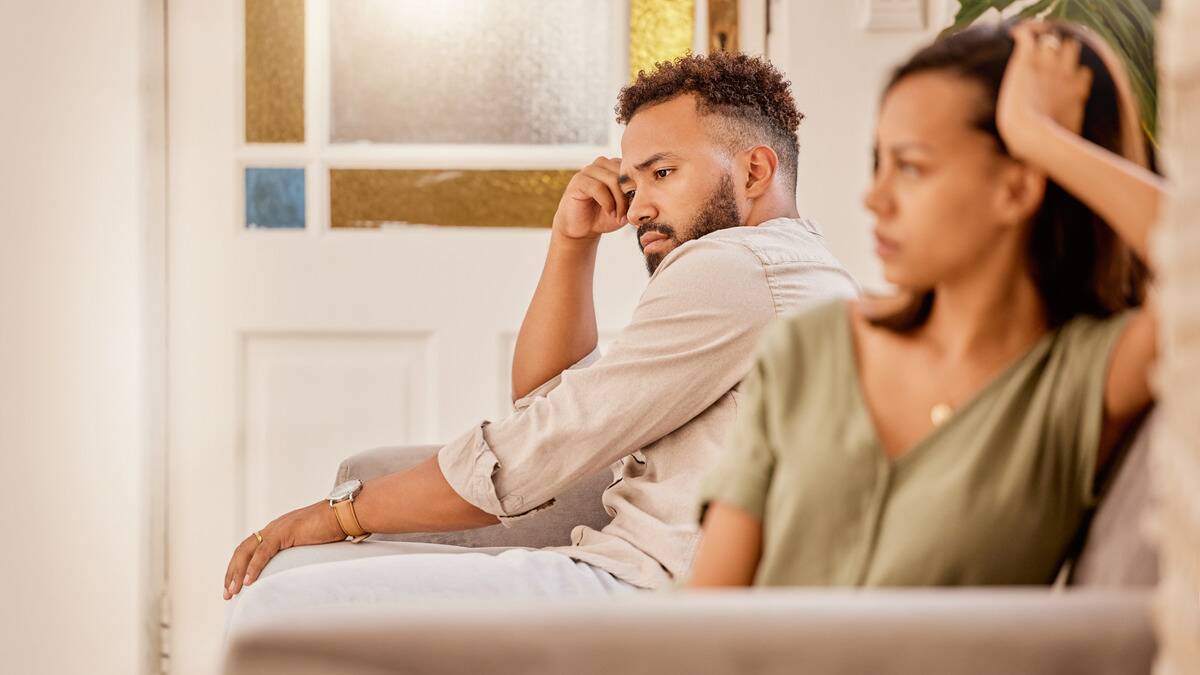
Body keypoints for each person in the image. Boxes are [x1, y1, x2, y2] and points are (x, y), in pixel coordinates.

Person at [223, 51, 858, 628]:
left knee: (275, 608)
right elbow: (550, 404)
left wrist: (337, 514)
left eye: (663, 172)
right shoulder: (783, 265)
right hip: (640, 564)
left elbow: (537, 450)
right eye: (633, 183)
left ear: (754, 170)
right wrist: (571, 244)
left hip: (654, 596)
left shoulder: (734, 268)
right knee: (321, 546)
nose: (637, 208)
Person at [688, 20, 1165, 588]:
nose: (875, 197)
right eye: (878, 163)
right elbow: (707, 610)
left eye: (910, 166)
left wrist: (1040, 139)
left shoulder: (1080, 382)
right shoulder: (808, 348)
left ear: (1017, 188)